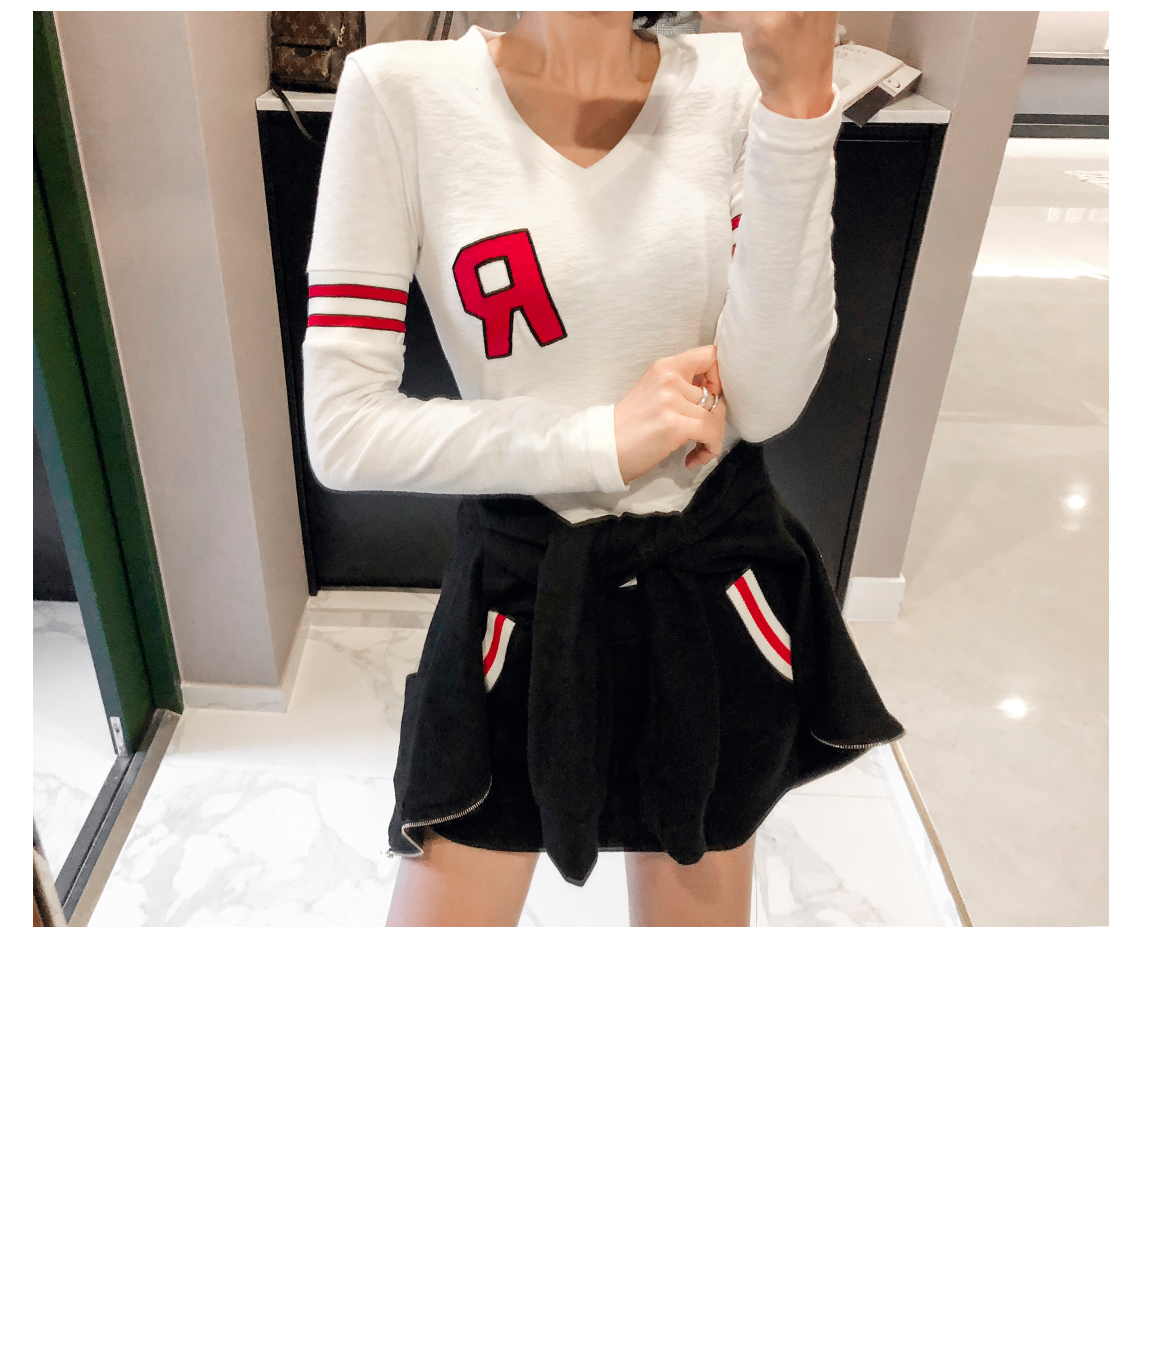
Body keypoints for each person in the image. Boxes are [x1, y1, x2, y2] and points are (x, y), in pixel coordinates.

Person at [303, 11, 904, 927]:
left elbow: (765, 399)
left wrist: (796, 108)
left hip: (711, 577)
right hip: (522, 589)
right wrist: (597, 439)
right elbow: (343, 428)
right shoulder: (401, 95)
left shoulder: (736, 83)